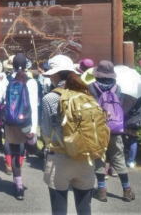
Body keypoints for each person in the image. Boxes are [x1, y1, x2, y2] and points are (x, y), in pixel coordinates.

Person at [40, 55, 94, 215]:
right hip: (85, 157)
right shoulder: (86, 93)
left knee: (59, 210)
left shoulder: (50, 98)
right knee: (85, 208)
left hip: (60, 158)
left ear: (56, 75)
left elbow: (46, 132)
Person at [89, 60, 135, 202]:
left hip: (97, 128)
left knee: (99, 159)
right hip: (115, 129)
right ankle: (127, 190)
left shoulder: (91, 87)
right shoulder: (118, 88)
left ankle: (102, 191)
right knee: (119, 158)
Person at [4, 53, 38, 200]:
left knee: (14, 151)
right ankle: (31, 146)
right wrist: (33, 128)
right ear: (26, 65)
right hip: (26, 121)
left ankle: (18, 185)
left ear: (12, 65)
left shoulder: (8, 80)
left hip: (11, 122)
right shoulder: (31, 82)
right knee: (26, 148)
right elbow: (34, 106)